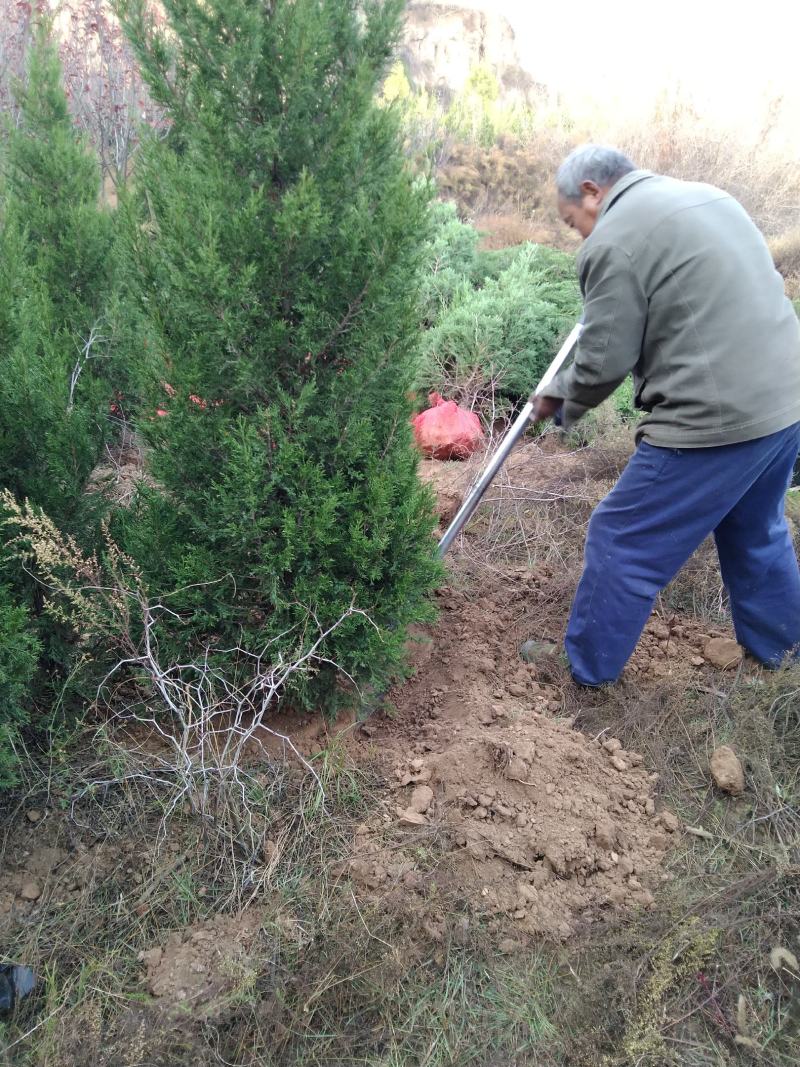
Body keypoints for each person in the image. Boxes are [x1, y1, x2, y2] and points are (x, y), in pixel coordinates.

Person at [533, 144, 800, 687]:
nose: (580, 234)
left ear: (591, 191)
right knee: (755, 530)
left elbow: (605, 357)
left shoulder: (612, 239)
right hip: (785, 403)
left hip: (714, 421)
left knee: (622, 539)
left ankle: (584, 672)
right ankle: (785, 653)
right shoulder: (711, 197)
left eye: (573, 222)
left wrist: (558, 401)